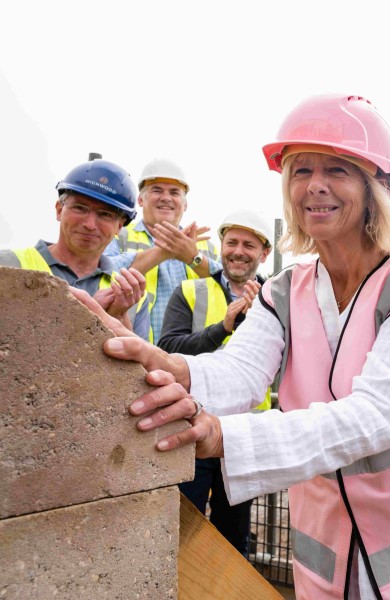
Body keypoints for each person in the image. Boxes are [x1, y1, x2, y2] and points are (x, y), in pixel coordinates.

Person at [76, 93, 390, 600]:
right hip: (331, 560)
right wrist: (172, 367)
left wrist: (223, 439)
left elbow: (377, 417)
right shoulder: (285, 290)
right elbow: (238, 373)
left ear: (377, 191)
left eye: (337, 170)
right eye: (300, 170)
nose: (315, 185)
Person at [157, 209, 274, 557]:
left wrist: (265, 321)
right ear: (221, 246)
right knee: (182, 529)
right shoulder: (191, 290)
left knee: (233, 537)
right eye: (232, 242)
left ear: (264, 253)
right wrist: (221, 329)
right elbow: (168, 349)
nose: (238, 251)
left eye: (249, 245)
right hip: (189, 427)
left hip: (242, 434)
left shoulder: (277, 297)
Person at [0, 158, 146, 330]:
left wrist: (120, 318)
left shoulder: (130, 295)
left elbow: (141, 357)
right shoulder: (7, 264)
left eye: (105, 214)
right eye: (80, 208)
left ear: (119, 227)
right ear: (59, 210)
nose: (90, 224)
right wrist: (86, 315)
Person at [103, 157, 221, 344]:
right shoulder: (119, 235)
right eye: (157, 190)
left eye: (174, 192)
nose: (166, 198)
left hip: (193, 359)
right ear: (140, 199)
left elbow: (227, 284)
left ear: (185, 204)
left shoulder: (206, 247)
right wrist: (166, 251)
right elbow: (104, 275)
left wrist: (193, 257)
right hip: (131, 351)